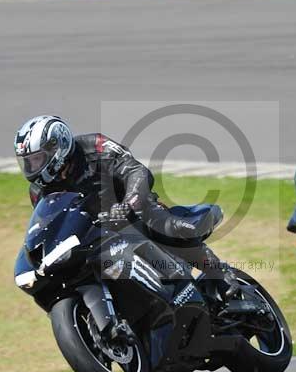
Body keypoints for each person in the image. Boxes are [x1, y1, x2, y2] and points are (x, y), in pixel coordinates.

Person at [14, 115, 239, 296]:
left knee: (166, 224)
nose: (32, 168)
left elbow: (136, 171)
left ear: (58, 147)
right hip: (92, 236)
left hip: (131, 210)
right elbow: (51, 225)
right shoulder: (38, 191)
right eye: (28, 162)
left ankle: (220, 274)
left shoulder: (95, 146)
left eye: (37, 159)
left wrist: (129, 203)